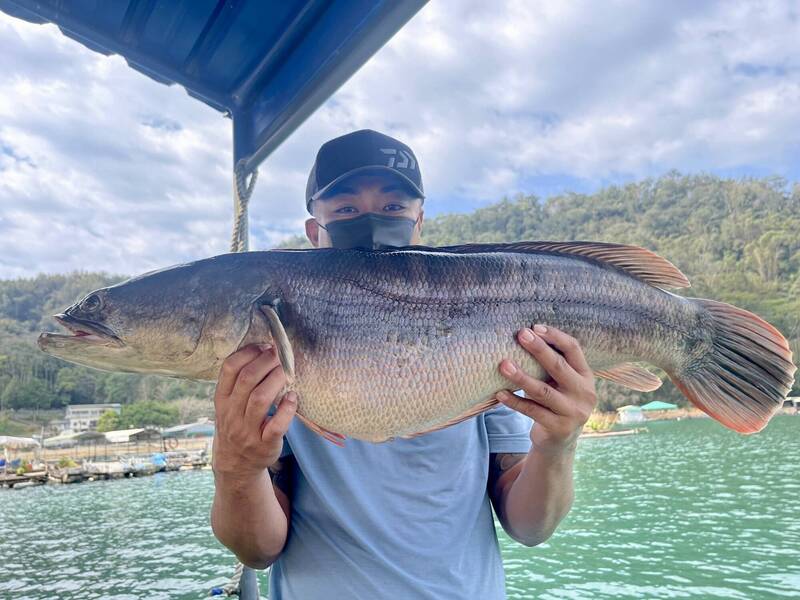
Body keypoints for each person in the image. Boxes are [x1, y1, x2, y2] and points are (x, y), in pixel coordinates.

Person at [210, 130, 598, 598]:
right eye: (346, 209)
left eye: (393, 207)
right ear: (314, 231)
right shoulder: (264, 360)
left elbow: (529, 526)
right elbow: (258, 550)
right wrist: (238, 468)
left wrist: (558, 444)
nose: (371, 220)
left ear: (419, 221)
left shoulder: (489, 331)